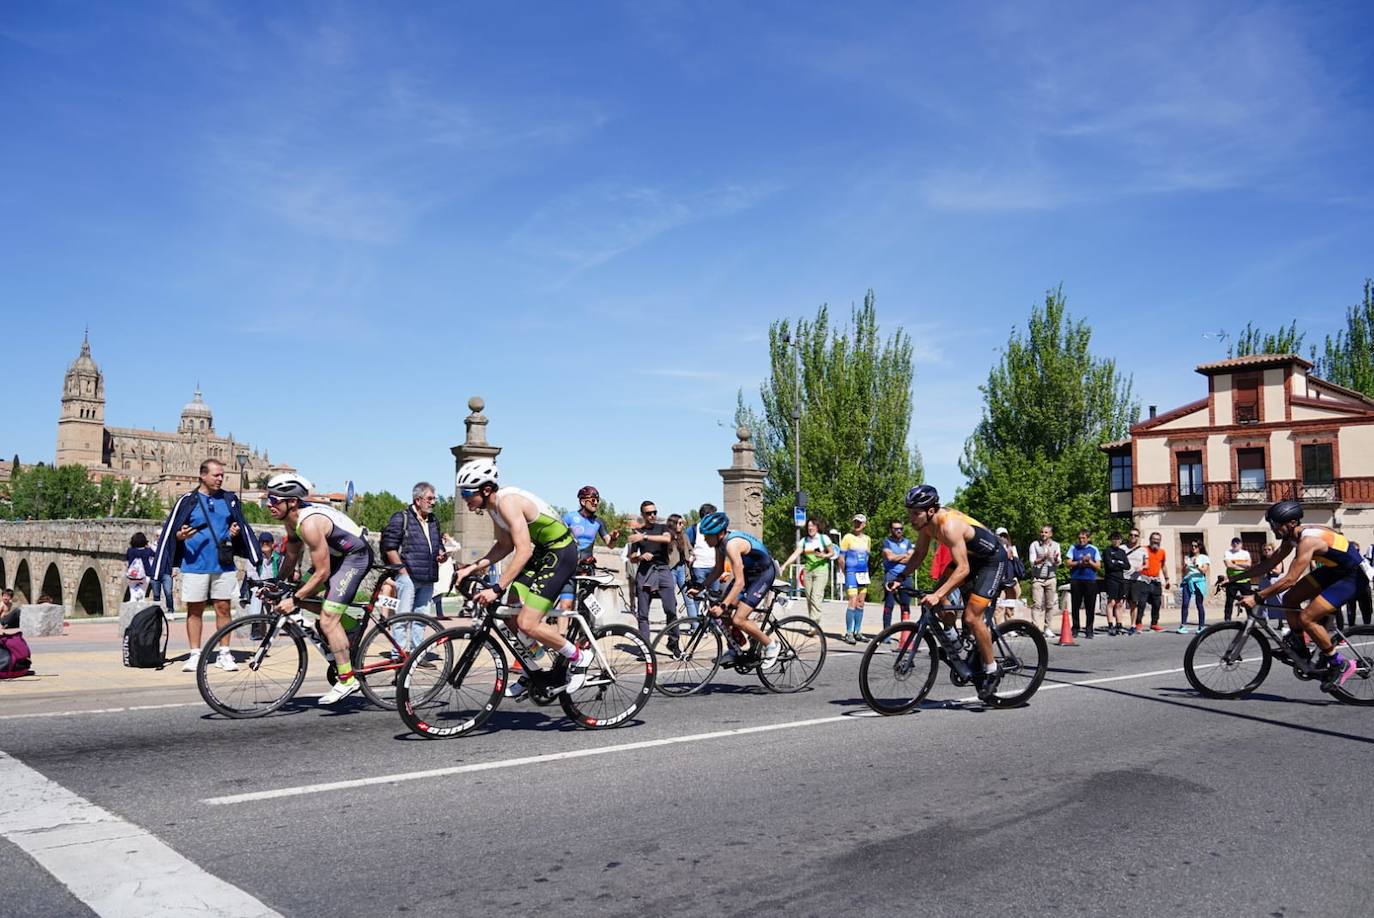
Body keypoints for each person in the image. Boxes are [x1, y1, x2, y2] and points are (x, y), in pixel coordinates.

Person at [451, 459, 594, 698]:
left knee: (528, 622)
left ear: (486, 490)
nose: (465, 499)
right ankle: (533, 667)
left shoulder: (507, 502)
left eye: (467, 493)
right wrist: (471, 568)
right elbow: (504, 546)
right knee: (510, 610)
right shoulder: (493, 509)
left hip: (560, 551)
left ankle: (579, 656)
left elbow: (523, 550)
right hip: (542, 551)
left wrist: (497, 587)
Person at [887, 485, 1005, 701]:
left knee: (971, 616)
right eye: (909, 512)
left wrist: (938, 593)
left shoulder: (948, 526)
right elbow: (919, 554)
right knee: (937, 597)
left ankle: (992, 669)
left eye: (915, 513)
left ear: (930, 511)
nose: (910, 518)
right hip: (970, 558)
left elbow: (963, 569)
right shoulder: (926, 526)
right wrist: (900, 577)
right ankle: (957, 643)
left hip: (991, 560)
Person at [266, 473, 374, 704]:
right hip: (336, 557)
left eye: (274, 500)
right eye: (268, 498)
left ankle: (347, 679)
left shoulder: (309, 523)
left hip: (355, 557)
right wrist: (278, 584)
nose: (268, 504)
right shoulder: (290, 519)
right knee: (300, 595)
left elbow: (322, 572)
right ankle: (350, 626)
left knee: (326, 620)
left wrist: (293, 599)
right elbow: (292, 552)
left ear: (292, 502)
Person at [1231, 500, 1361, 691]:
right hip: (1334, 570)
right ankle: (1299, 648)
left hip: (1353, 576)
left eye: (1275, 524)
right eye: (1272, 524)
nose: (1273, 528)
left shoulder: (1307, 541)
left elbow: (1290, 579)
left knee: (1307, 617)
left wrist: (1258, 597)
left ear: (1291, 523)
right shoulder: (1292, 537)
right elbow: (1268, 564)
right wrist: (1235, 579)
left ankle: (1339, 663)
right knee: (1289, 599)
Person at [150, 459, 262, 674]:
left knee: (223, 608)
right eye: (216, 475)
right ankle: (195, 654)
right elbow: (170, 532)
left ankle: (224, 653)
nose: (220, 479)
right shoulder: (187, 501)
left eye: (222, 475)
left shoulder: (229, 499)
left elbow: (239, 525)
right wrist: (179, 536)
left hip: (224, 564)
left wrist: (234, 534)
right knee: (195, 610)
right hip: (194, 565)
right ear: (202, 475)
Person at [690, 511, 781, 668]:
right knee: (724, 614)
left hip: (763, 574)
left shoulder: (732, 545)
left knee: (738, 618)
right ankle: (736, 647)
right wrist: (700, 587)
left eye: (708, 536)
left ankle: (771, 645)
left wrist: (724, 604)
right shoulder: (719, 545)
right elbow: (718, 569)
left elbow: (739, 583)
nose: (705, 539)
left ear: (719, 533)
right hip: (748, 573)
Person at [381, 482, 448, 652]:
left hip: (428, 577)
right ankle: (400, 653)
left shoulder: (433, 520)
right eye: (430, 498)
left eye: (434, 499)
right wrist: (402, 573)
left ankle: (418, 653)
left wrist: (441, 552)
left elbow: (437, 543)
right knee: (402, 617)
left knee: (422, 618)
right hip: (408, 576)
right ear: (418, 500)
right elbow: (389, 547)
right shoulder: (400, 518)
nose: (433, 502)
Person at [626, 500, 681, 650]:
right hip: (645, 571)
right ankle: (646, 647)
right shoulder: (637, 533)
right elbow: (631, 557)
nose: (652, 515)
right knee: (642, 613)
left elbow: (667, 539)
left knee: (670, 609)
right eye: (649, 513)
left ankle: (673, 642)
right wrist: (640, 557)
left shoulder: (662, 527)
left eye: (654, 512)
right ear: (643, 514)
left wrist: (644, 537)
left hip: (663, 570)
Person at [557, 485, 621, 613]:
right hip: (569, 566)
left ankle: (586, 632)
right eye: (592, 500)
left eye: (597, 500)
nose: (596, 503)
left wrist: (614, 538)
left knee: (587, 606)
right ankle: (562, 632)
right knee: (566, 605)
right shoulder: (569, 517)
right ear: (582, 501)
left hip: (587, 567)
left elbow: (610, 544)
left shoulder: (599, 522)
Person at [781, 517, 835, 625]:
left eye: (813, 526)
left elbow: (832, 553)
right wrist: (785, 565)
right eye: (809, 526)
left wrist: (824, 555)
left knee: (816, 597)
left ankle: (814, 625)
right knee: (810, 599)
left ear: (817, 527)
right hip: (808, 572)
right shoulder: (804, 541)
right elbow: (795, 554)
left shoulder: (824, 538)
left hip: (821, 571)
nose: (810, 528)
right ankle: (812, 622)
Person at [838, 514, 872, 644]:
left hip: (863, 573)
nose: (857, 525)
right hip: (851, 572)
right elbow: (841, 558)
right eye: (855, 522)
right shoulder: (848, 537)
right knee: (852, 600)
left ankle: (858, 631)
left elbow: (867, 556)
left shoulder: (867, 539)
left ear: (864, 525)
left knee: (861, 602)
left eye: (859, 523)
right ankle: (849, 632)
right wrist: (845, 571)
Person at [881, 520, 915, 633]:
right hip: (891, 575)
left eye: (901, 528)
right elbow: (889, 557)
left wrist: (898, 557)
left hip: (906, 576)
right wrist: (905, 555)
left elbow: (912, 558)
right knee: (889, 604)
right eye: (896, 529)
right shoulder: (887, 542)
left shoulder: (908, 542)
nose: (899, 530)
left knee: (905, 605)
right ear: (891, 530)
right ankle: (886, 633)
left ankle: (905, 634)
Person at [1067, 530, 1102, 638]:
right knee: (1075, 605)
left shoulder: (1093, 549)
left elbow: (1098, 566)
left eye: (1084, 538)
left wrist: (1089, 561)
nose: (1081, 540)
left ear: (1088, 538)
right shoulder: (1073, 548)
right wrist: (1079, 562)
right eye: (1080, 538)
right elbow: (1068, 563)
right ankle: (1075, 628)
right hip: (1076, 579)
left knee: (1090, 606)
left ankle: (1089, 628)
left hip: (1090, 580)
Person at [1028, 525, 1061, 636]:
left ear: (1050, 534)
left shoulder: (1056, 545)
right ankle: (1035, 629)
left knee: (1050, 605)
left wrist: (1055, 559)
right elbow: (1032, 562)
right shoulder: (1034, 544)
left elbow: (1058, 562)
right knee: (1037, 604)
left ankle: (1048, 628)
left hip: (1051, 578)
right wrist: (1043, 558)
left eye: (1046, 532)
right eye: (1042, 532)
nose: (1043, 534)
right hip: (1038, 578)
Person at [1135, 532, 1172, 632]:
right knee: (1141, 603)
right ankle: (1138, 623)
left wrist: (1167, 579)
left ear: (1160, 541)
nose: (1155, 541)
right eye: (1154, 539)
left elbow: (1163, 565)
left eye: (1157, 540)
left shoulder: (1162, 552)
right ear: (1150, 540)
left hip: (1156, 581)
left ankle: (1154, 623)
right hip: (1144, 580)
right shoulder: (1144, 549)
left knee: (1157, 603)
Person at [1101, 531, 1130, 635]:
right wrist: (1119, 563)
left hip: (1120, 579)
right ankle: (1110, 625)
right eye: (1114, 539)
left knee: (1119, 603)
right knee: (1111, 602)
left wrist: (1117, 562)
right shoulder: (1107, 551)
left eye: (1118, 539)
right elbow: (1109, 565)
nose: (1116, 541)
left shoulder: (1122, 552)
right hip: (1111, 579)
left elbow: (1127, 566)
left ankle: (1119, 625)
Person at [1178, 539, 1209, 634]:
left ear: (1200, 547)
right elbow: (1183, 571)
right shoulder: (1187, 557)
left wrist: (1197, 565)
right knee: (1185, 604)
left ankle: (1201, 626)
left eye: (1195, 546)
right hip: (1188, 581)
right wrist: (1185, 566)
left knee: (1199, 604)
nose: (1193, 548)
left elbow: (1204, 571)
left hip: (1199, 581)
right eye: (1192, 546)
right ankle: (1183, 625)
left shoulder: (1204, 557)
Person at [1123, 528, 1147, 635]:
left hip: (1136, 579)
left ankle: (1133, 625)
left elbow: (1147, 564)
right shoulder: (1122, 548)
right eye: (1131, 535)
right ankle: (1118, 624)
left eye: (1135, 535)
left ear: (1138, 537)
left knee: (1134, 603)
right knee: (1120, 603)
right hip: (1124, 578)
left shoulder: (1143, 550)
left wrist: (1141, 568)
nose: (1133, 537)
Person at [1221, 537, 1252, 622]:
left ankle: (1250, 619)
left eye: (1237, 543)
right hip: (1232, 581)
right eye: (1234, 542)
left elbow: (1249, 565)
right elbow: (1228, 565)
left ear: (1241, 544)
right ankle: (1227, 620)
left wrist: (1235, 562)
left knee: (1247, 600)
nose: (1235, 544)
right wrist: (1243, 566)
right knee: (1229, 601)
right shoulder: (1228, 552)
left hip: (1244, 580)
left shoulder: (1245, 553)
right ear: (1231, 544)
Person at [995, 527, 1021, 622]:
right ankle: (999, 625)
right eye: (1000, 536)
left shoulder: (1012, 548)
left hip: (1011, 579)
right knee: (999, 604)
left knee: (1011, 603)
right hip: (999, 579)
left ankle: (1009, 623)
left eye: (1005, 536)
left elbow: (1017, 563)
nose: (1003, 538)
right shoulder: (994, 548)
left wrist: (1012, 555)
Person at [1344, 541, 1373, 628]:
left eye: (1357, 550)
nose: (1355, 552)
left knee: (1366, 608)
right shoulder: (1345, 561)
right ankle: (1351, 626)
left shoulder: (1364, 560)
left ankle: (1367, 626)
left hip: (1363, 588)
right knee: (1351, 609)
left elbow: (1370, 573)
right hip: (1350, 588)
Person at [126, 531, 154, 602]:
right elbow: (155, 554)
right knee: (142, 596)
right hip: (145, 575)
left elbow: (127, 558)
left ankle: (132, 609)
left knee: (132, 595)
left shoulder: (130, 551)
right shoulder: (148, 551)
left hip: (132, 575)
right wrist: (149, 545)